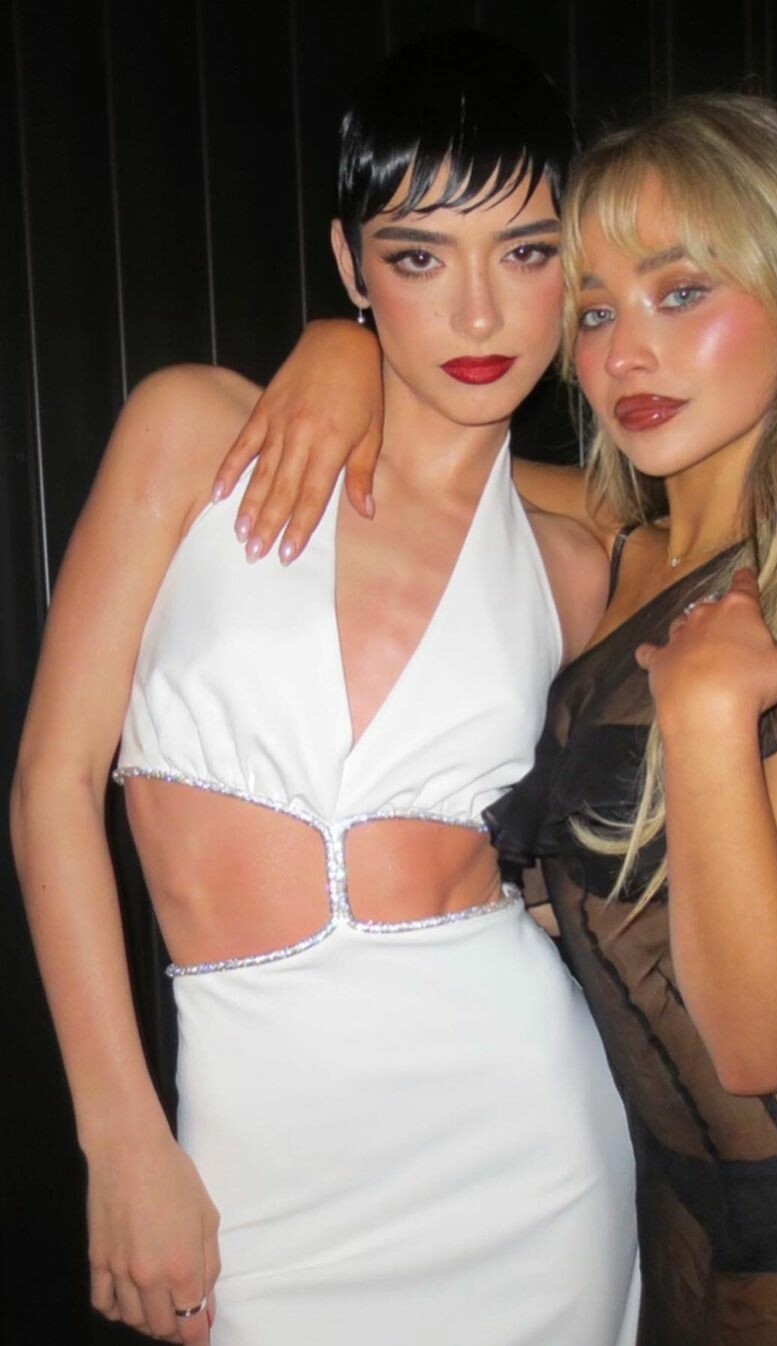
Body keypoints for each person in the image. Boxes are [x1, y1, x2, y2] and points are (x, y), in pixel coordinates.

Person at [225, 93, 777, 1344]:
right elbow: (420, 454)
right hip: (664, 1201)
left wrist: (706, 718)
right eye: (594, 311)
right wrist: (345, 343)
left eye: (682, 292)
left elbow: (755, 1045)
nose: (626, 355)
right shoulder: (623, 549)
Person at [10, 32, 642, 1346]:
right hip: (253, 1161)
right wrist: (120, 1138)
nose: (480, 315)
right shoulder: (195, 432)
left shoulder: (576, 560)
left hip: (526, 1153)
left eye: (526, 252)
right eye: (419, 257)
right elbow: (51, 787)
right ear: (351, 264)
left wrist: (349, 356)